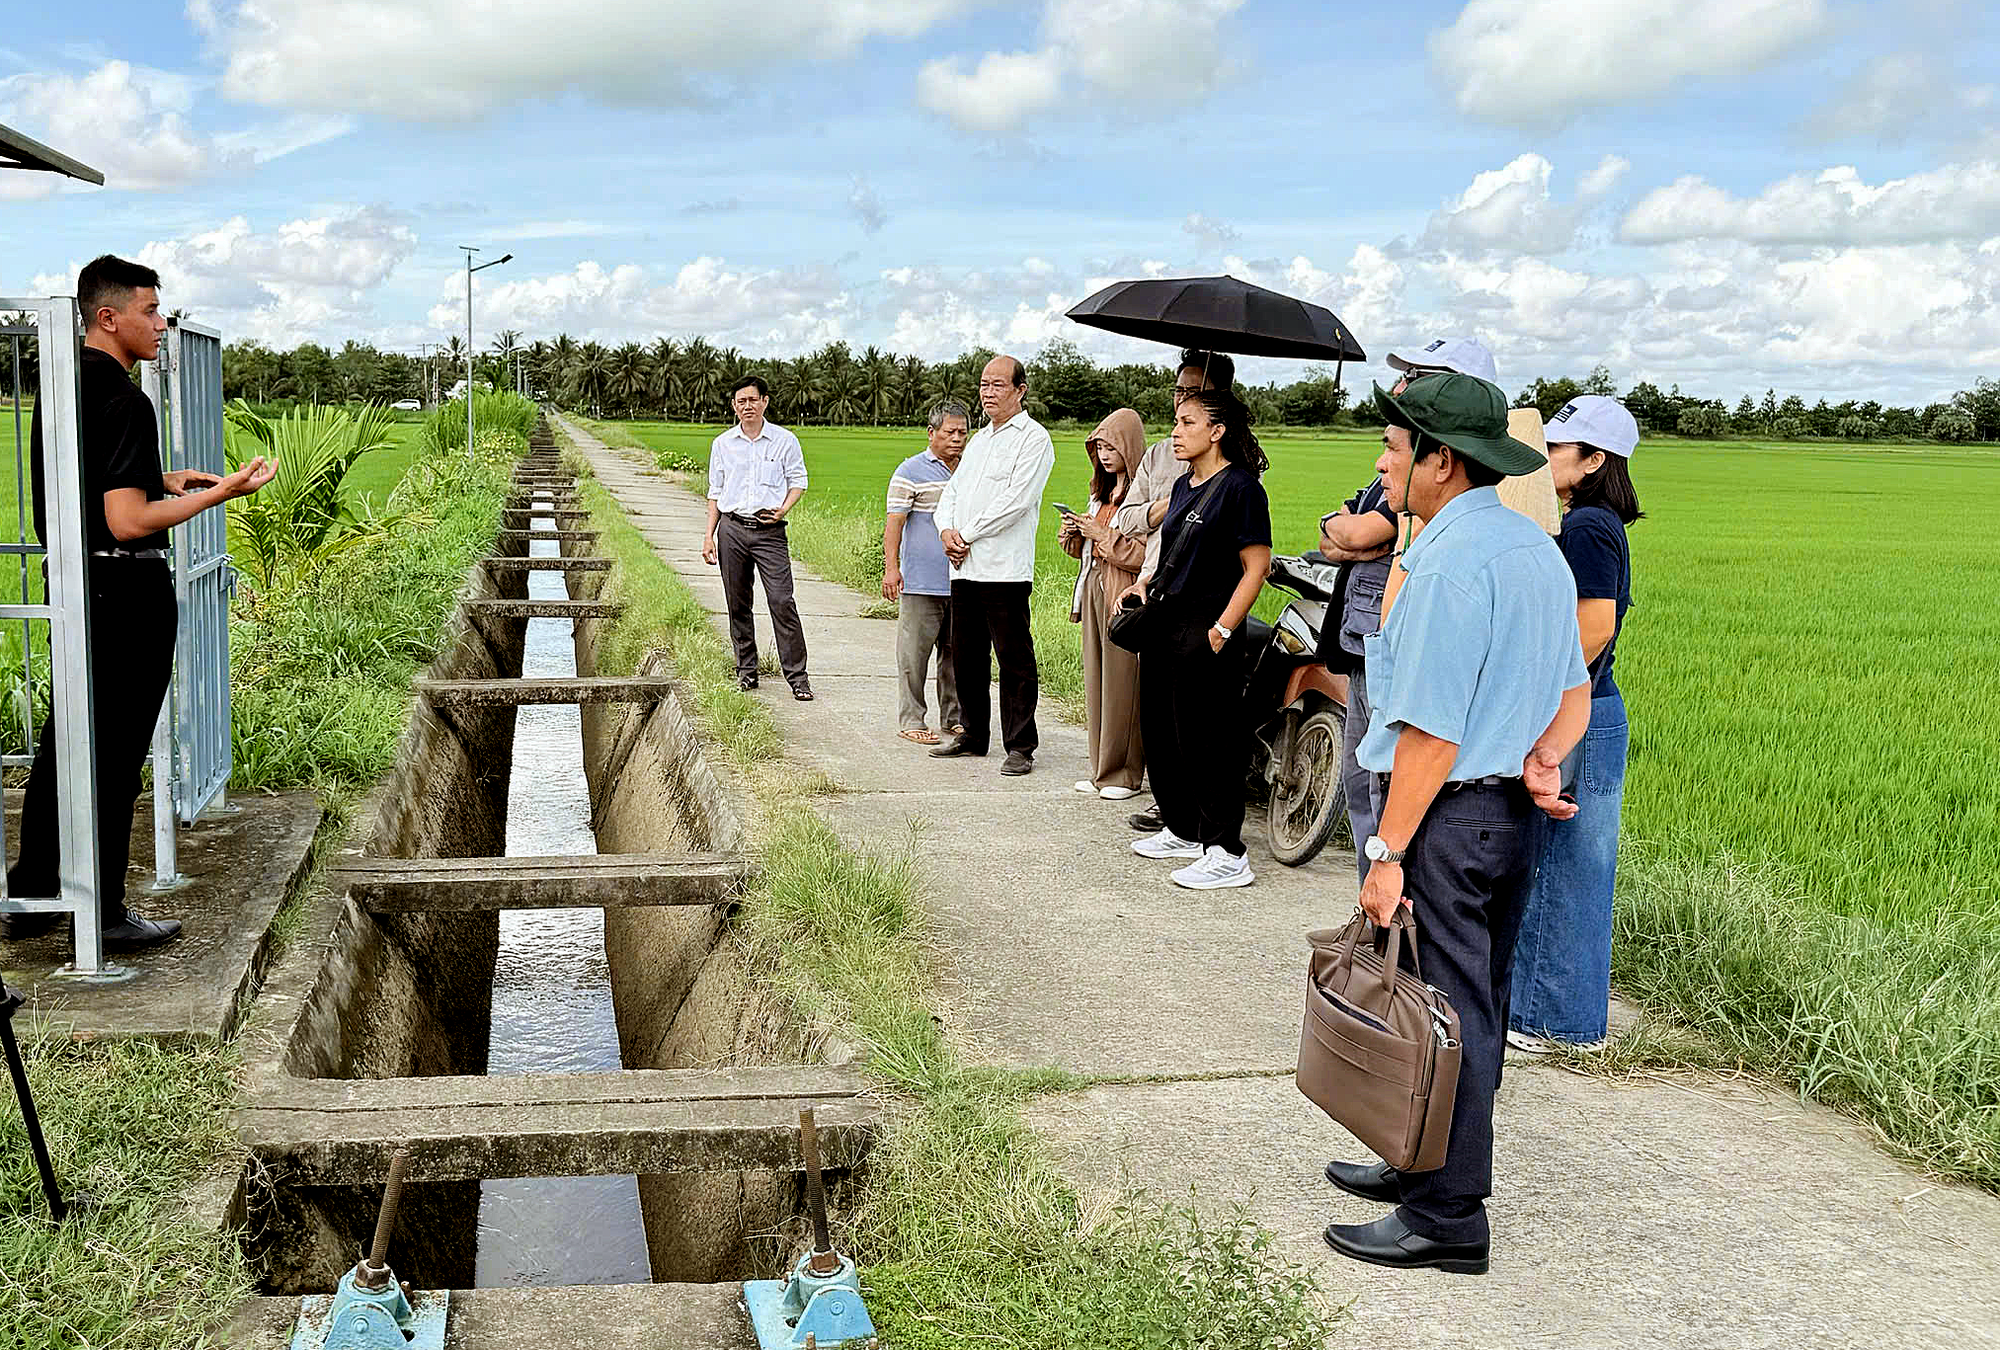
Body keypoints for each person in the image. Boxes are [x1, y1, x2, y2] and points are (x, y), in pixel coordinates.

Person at [1321, 372, 1591, 1275]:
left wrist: (1387, 849)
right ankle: (1417, 1159)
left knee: (1448, 1010)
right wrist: (1544, 759)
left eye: (1395, 448)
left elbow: (1430, 734)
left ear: (1442, 462)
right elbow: (1572, 689)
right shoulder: (1531, 548)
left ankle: (1448, 1216)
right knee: (1474, 1000)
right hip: (1511, 817)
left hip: (1446, 815)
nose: (1382, 461)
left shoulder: (1447, 564)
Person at [2, 255, 275, 951]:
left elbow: (94, 488)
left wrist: (164, 477)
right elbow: (125, 519)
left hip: (76, 586)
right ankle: (102, 916)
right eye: (150, 312)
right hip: (124, 593)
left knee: (70, 746)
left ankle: (34, 893)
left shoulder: (65, 388)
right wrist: (219, 494)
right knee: (116, 757)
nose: (160, 325)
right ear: (108, 316)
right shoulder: (126, 397)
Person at [1324, 338, 1501, 883]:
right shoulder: (1404, 465)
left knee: (1393, 784)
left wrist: (1373, 535)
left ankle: (1387, 916)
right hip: (1368, 642)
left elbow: (1357, 531)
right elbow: (1340, 536)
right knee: (1364, 779)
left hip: (1405, 651)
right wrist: (1365, 534)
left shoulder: (1456, 507)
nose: (1403, 387)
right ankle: (1374, 911)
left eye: (1418, 377)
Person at [1507, 396, 1643, 1054]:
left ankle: (1544, 1019)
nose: (1545, 456)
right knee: (1578, 863)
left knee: (1561, 863)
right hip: (1595, 706)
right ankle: (1568, 1017)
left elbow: (1595, 625)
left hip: (1583, 710)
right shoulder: (1593, 522)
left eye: (1559, 449)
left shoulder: (1589, 524)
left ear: (1595, 461)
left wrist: (1545, 697)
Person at [1124, 389, 1272, 890]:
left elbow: (1257, 568)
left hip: (1208, 626)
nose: (1176, 430)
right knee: (1163, 733)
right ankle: (1184, 828)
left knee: (1208, 740)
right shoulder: (1186, 485)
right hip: (1167, 619)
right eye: (1175, 421)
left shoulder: (1242, 489)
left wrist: (1223, 629)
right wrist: (1145, 583)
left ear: (1217, 430)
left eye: (1188, 422)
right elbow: (1173, 553)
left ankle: (1227, 851)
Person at [1112, 350, 1234, 833]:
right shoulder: (1163, 456)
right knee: (1159, 717)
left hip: (1203, 604)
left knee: (1198, 725)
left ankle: (1214, 836)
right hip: (1157, 590)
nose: (1180, 404)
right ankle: (1177, 817)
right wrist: (1169, 507)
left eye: (1193, 395)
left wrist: (1223, 625)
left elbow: (1249, 556)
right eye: (1178, 392)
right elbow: (1128, 515)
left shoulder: (1237, 470)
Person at [930, 355, 1055, 776]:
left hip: (1004, 569)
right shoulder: (979, 441)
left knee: (1014, 659)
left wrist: (967, 534)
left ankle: (1020, 745)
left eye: (998, 384)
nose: (988, 392)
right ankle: (973, 734)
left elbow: (1017, 501)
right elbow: (953, 492)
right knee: (966, 657)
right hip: (964, 568)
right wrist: (946, 530)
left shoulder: (1034, 439)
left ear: (1020, 390)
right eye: (984, 384)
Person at [702, 375, 812, 700]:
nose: (747, 406)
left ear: (765, 401)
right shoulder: (722, 444)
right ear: (734, 406)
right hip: (732, 530)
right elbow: (715, 491)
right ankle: (746, 672)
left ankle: (798, 677)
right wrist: (709, 536)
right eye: (741, 401)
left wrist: (783, 509)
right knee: (738, 604)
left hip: (770, 531)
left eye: (753, 399)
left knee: (782, 601)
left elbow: (799, 480)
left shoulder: (784, 440)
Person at [1059, 409, 1148, 799]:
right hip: (1094, 587)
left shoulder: (1144, 498)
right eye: (1099, 447)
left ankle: (1123, 774)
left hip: (1124, 594)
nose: (1105, 454)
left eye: (1112, 446)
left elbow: (1148, 555)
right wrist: (1074, 536)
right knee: (1096, 679)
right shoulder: (1100, 494)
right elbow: (1084, 551)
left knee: (1122, 684)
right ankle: (1099, 767)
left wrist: (1103, 536)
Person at [883, 401, 969, 745]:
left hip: (963, 580)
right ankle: (911, 719)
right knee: (913, 655)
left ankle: (954, 718)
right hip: (921, 581)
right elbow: (895, 523)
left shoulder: (971, 470)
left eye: (963, 432)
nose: (958, 439)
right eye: (950, 432)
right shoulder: (911, 470)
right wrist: (892, 568)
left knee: (956, 656)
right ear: (931, 433)